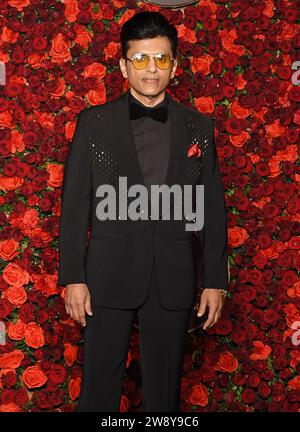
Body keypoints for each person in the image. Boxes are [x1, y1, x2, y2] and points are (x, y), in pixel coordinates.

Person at [57, 11, 229, 412]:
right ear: (123, 64)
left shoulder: (198, 127)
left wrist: (215, 280)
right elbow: (75, 205)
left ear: (174, 65)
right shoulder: (94, 124)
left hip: (173, 276)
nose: (151, 69)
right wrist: (73, 277)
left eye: (161, 59)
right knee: (99, 390)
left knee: (164, 397)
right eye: (140, 59)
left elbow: (211, 207)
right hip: (107, 274)